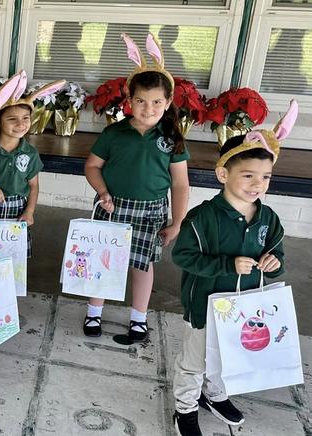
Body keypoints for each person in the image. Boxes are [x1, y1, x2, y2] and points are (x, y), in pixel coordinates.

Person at [170, 101, 296, 436]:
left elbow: (277, 254)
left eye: (266, 176)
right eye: (248, 175)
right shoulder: (203, 217)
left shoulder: (268, 218)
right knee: (195, 361)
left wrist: (274, 263)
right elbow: (182, 256)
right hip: (205, 306)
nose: (258, 184)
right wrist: (226, 264)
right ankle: (184, 408)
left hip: (246, 309)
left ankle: (215, 395)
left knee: (229, 357)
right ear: (224, 174)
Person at [82, 33, 190, 342]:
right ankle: (94, 312)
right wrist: (102, 192)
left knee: (142, 266)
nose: (148, 108)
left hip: (152, 211)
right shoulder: (114, 133)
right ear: (130, 101)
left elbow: (180, 183)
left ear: (168, 102)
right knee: (103, 260)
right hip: (112, 205)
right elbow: (92, 166)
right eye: (141, 101)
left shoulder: (171, 137)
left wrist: (178, 222)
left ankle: (138, 319)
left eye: (157, 101)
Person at [0, 71, 63, 258]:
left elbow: (33, 186)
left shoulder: (30, 153)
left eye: (25, 118)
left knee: (13, 258)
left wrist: (29, 211)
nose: (21, 124)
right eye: (12, 119)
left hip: (17, 209)